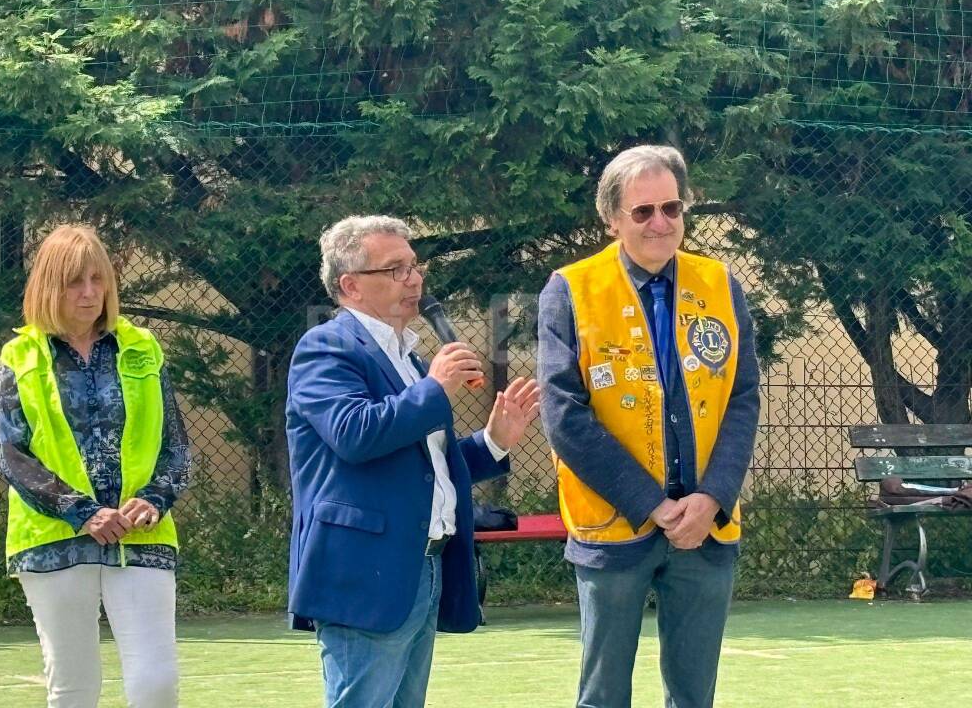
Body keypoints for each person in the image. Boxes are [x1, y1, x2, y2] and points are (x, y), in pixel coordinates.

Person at [286, 214, 540, 707]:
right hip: (362, 570)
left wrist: (494, 439)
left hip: (421, 567)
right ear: (351, 285)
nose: (416, 280)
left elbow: (429, 464)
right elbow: (354, 434)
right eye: (396, 270)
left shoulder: (410, 359)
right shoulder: (325, 347)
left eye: (415, 267)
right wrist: (434, 388)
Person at [537, 145, 760, 708]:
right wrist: (651, 503)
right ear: (612, 218)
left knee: (694, 696)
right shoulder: (571, 289)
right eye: (642, 212)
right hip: (616, 527)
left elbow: (742, 396)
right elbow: (564, 415)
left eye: (672, 208)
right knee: (604, 694)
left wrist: (712, 497)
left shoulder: (721, 284)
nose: (660, 223)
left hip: (705, 528)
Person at [0, 224, 190, 708]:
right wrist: (81, 512)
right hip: (53, 540)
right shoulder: (18, 355)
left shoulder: (143, 347)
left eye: (97, 280)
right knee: (74, 688)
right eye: (73, 282)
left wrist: (155, 499)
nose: (89, 294)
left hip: (141, 537)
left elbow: (176, 445)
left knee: (156, 683)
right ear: (47, 287)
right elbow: (13, 454)